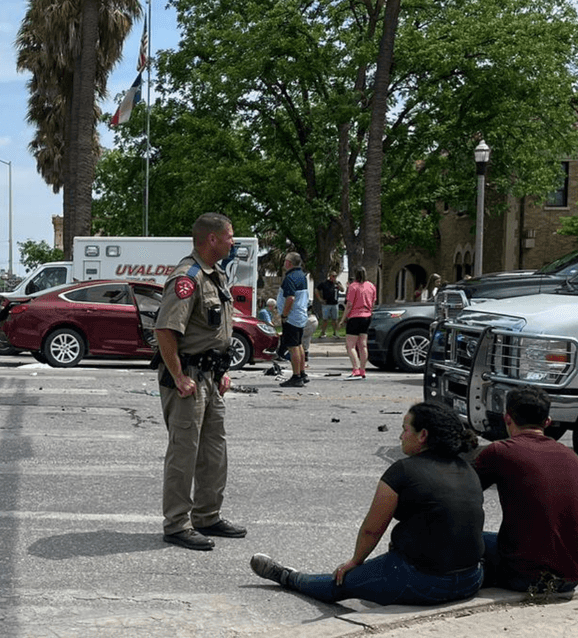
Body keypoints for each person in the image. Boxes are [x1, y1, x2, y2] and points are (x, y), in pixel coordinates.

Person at [250, 402, 484, 605]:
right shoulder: (467, 468)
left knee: (339, 583)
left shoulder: (402, 470)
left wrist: (355, 562)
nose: (400, 436)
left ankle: (289, 577)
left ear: (423, 435)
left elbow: (372, 529)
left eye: (404, 430)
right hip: (471, 580)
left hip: (423, 583)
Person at [153, 212, 246, 551]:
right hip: (188, 379)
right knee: (184, 453)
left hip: (210, 377)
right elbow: (165, 329)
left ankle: (208, 515)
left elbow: (215, 331)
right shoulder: (187, 277)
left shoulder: (216, 275)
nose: (233, 241)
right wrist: (178, 376)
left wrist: (222, 372)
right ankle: (177, 524)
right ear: (212, 239)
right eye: (230, 236)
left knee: (213, 451)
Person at [474, 387, 578, 594]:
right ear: (547, 421)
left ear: (507, 419)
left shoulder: (500, 451)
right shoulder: (571, 457)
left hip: (523, 577)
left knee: (471, 537)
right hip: (570, 578)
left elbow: (462, 493)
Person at [278, 252, 310, 388]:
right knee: (299, 345)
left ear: (289, 263)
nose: (284, 263)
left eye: (285, 260)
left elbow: (290, 298)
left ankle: (296, 376)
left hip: (292, 317)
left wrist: (284, 315)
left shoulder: (290, 278)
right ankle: (302, 373)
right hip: (301, 315)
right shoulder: (302, 276)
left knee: (292, 347)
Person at [342, 267, 377, 380]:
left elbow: (349, 304)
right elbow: (373, 302)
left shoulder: (353, 287)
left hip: (355, 316)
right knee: (363, 345)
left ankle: (355, 368)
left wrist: (343, 319)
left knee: (350, 345)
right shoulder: (371, 286)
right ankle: (363, 369)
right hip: (367, 316)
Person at [316, 271, 341, 338]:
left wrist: (338, 285)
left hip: (334, 304)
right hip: (326, 304)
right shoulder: (324, 283)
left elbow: (342, 289)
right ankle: (323, 333)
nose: (334, 277)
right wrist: (320, 299)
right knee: (325, 319)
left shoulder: (337, 283)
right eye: (333, 276)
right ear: (329, 276)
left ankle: (335, 333)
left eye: (335, 276)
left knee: (335, 319)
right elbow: (317, 289)